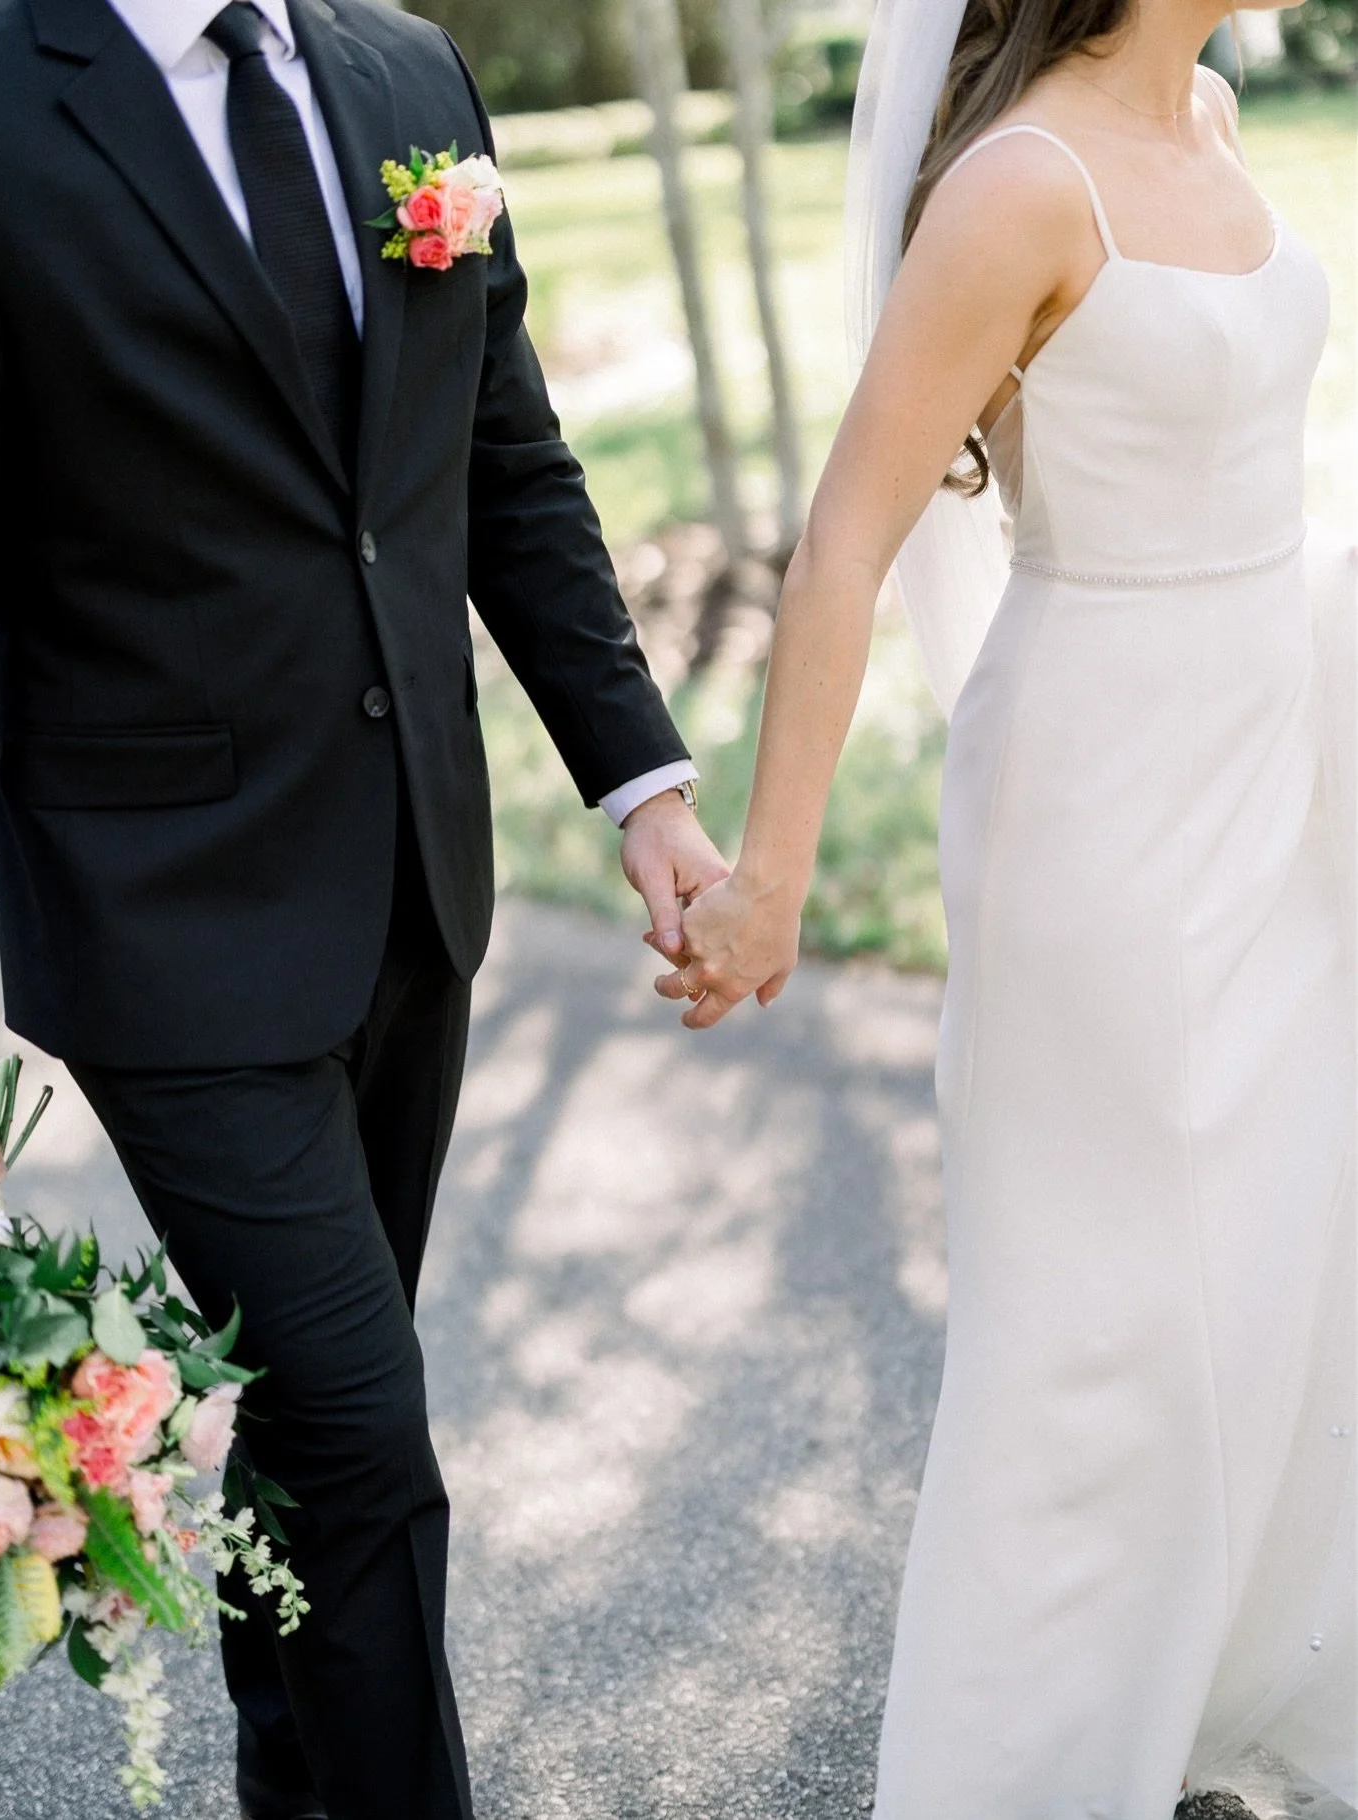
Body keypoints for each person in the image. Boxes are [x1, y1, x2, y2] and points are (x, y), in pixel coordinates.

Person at [0, 1, 729, 1816]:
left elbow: (503, 458)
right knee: (369, 1446)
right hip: (156, 910)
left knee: (305, 1449)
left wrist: (641, 784)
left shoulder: (407, 74)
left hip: (415, 881)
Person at [663, 1, 1356, 1814]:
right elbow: (843, 543)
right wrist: (772, 882)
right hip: (1103, 808)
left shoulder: (1204, 114)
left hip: (1272, 766)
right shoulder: (1018, 187)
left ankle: (1193, 1675)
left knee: (1280, 1240)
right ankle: (1030, 1757)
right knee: (1109, 1296)